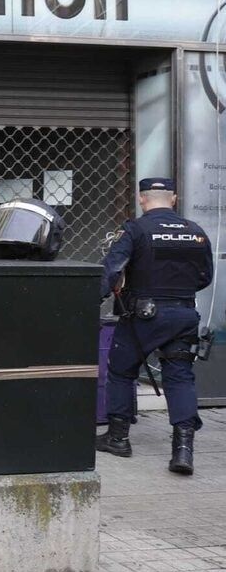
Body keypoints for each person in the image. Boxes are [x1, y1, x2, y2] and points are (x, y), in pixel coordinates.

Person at [97, 178, 213, 474]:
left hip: (143, 317)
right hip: (184, 315)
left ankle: (119, 438)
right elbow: (205, 278)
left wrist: (90, 300)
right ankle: (183, 451)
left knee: (122, 371)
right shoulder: (196, 232)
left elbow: (111, 272)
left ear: (141, 199)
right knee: (180, 377)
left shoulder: (134, 230)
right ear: (173, 198)